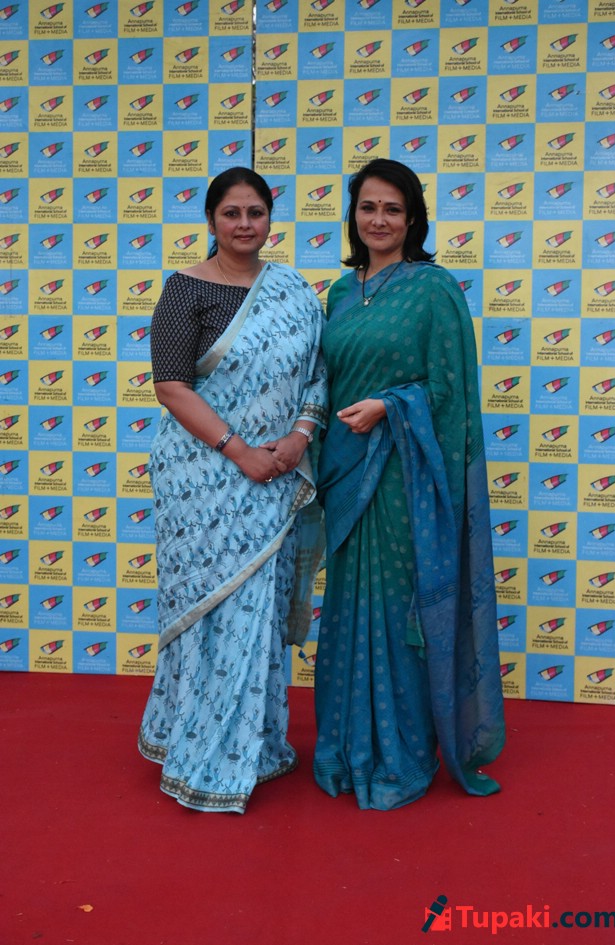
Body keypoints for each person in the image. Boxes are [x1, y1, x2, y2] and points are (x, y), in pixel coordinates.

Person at [313, 158, 505, 810]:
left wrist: (390, 406)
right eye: (368, 207)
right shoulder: (340, 293)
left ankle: (400, 754)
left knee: (396, 612)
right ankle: (347, 748)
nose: (379, 220)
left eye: (392, 209)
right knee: (347, 609)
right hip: (345, 475)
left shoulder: (433, 288)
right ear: (354, 215)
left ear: (413, 218)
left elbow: (451, 390)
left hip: (402, 478)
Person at [138, 167, 327, 813]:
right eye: (232, 213)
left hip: (276, 473)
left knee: (259, 612)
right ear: (211, 220)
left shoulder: (293, 290)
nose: (245, 224)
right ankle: (198, 753)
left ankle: (258, 746)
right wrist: (239, 450)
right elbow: (170, 385)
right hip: (201, 480)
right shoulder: (186, 288)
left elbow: (318, 372)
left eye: (256, 212)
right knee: (212, 609)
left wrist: (299, 436)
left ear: (270, 217)